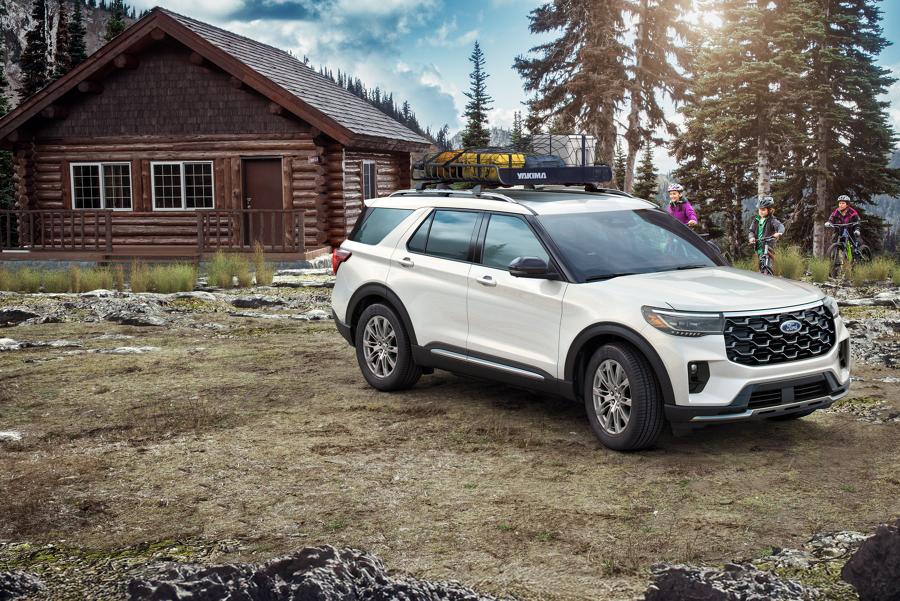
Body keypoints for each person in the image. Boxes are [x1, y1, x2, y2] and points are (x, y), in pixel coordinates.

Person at [748, 196, 784, 269]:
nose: (761, 211)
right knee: (760, 266)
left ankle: (771, 273)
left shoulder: (772, 220)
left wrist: (779, 233)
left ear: (769, 210)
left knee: (769, 265)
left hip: (768, 247)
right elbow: (751, 231)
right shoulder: (756, 220)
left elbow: (780, 226)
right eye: (759, 209)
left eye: (763, 210)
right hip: (759, 247)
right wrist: (751, 237)